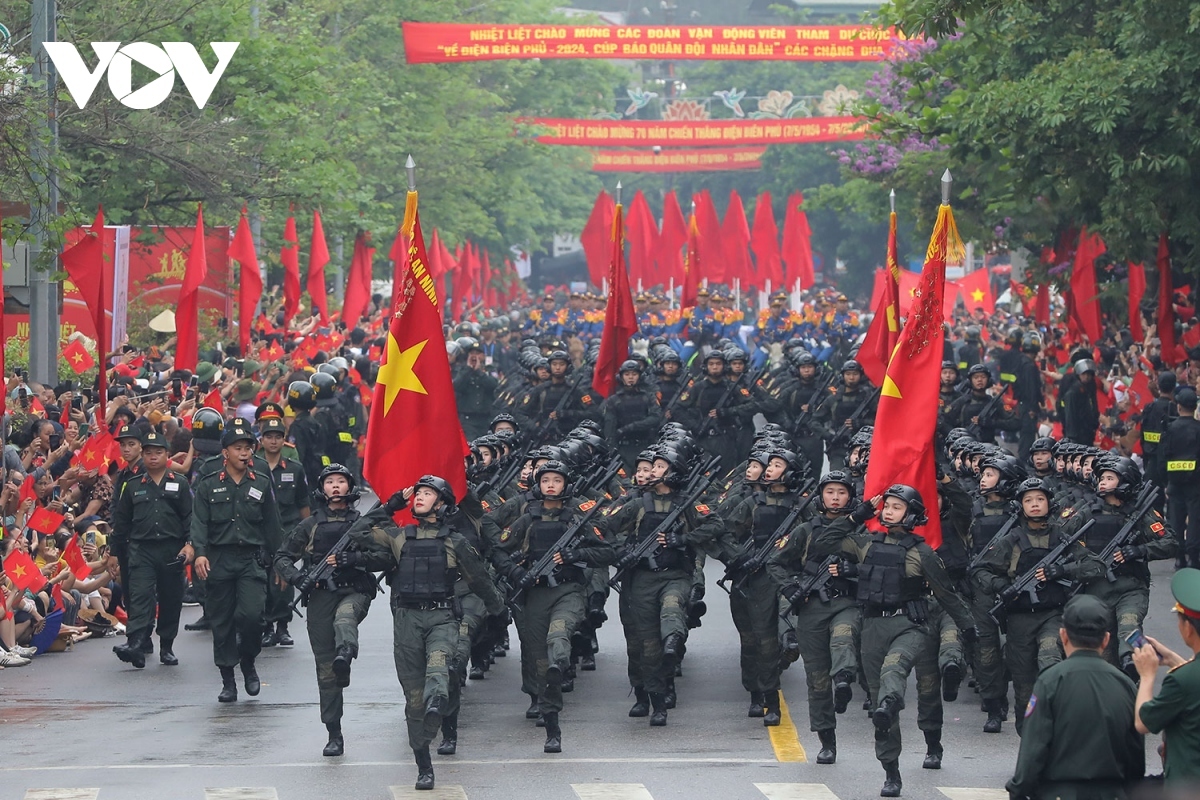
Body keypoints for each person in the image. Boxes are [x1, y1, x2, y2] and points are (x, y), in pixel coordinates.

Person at [816, 484, 976, 797]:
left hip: (910, 625)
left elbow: (947, 595)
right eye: (886, 506)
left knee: (894, 671)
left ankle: (899, 709)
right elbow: (825, 542)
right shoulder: (866, 544)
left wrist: (969, 628)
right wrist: (860, 513)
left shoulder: (922, 553)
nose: (888, 511)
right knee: (879, 706)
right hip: (873, 627)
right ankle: (891, 772)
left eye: (896, 507)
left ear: (912, 514)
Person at [348, 476, 504, 791]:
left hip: (442, 616)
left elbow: (479, 581)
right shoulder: (399, 538)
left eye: (427, 493)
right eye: (418, 493)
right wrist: (390, 506)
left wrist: (499, 613)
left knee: (440, 664)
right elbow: (357, 534)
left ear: (442, 503)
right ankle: (424, 764)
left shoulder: (455, 542)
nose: (419, 497)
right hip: (407, 619)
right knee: (413, 700)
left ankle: (439, 704)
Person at [493, 459, 615, 753]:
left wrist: (575, 554)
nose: (550, 484)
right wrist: (516, 573)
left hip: (567, 591)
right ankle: (552, 726)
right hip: (534, 595)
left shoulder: (577, 520)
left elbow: (608, 551)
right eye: (545, 479)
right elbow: (499, 551)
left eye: (556, 480)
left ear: (566, 485)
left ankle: (561, 663)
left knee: (558, 636)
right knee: (539, 663)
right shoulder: (526, 520)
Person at [273, 463, 387, 757]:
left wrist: (353, 558)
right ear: (322, 488)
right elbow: (283, 557)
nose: (335, 486)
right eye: (329, 482)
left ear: (350, 487)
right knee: (326, 670)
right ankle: (334, 732)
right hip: (320, 596)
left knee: (345, 619)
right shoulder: (310, 525)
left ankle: (346, 651)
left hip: (355, 590)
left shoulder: (362, 522)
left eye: (341, 481)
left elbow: (384, 556)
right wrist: (300, 578)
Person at [1006, 595, 1145, 800]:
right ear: (1106, 639)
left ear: (1063, 636)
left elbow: (1033, 749)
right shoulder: (1125, 685)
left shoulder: (1050, 681)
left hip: (1060, 793)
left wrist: (1018, 790)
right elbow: (1135, 759)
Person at [191, 424, 285, 703]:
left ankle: (248, 661)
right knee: (221, 622)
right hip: (218, 559)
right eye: (238, 448)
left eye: (247, 448)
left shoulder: (261, 483)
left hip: (250, 560)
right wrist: (199, 552)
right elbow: (199, 522)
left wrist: (280, 561)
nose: (244, 454)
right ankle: (228, 679)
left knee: (253, 616)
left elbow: (272, 525)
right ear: (225, 452)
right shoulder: (209, 483)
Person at [109, 431, 193, 668]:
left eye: (158, 452)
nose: (153, 457)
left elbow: (189, 518)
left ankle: (167, 645)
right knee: (140, 595)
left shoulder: (180, 483)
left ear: (167, 455)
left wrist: (190, 544)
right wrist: (114, 553)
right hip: (141, 550)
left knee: (170, 598)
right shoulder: (132, 485)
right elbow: (122, 522)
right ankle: (135, 642)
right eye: (148, 453)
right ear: (143, 456)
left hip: (171, 549)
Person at [1134, 568, 1200, 790]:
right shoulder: (1188, 676)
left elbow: (1143, 723)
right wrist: (1172, 658)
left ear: (1188, 628)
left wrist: (1147, 675)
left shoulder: (1181, 680)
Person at [260, 416, 311, 648]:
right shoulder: (253, 467)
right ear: (261, 440)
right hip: (259, 532)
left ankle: (282, 626)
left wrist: (311, 534)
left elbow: (302, 503)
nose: (273, 441)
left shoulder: (294, 469)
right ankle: (266, 627)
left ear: (284, 441)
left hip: (288, 531)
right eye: (269, 437)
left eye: (277, 437)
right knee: (262, 580)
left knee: (283, 581)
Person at [1162, 388, 1200, 569]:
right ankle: (1194, 558)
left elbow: (1164, 456)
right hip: (1195, 484)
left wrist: (1166, 483)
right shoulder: (1198, 429)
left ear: (1179, 407)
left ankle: (1179, 558)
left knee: (1176, 521)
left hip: (1175, 483)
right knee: (1195, 521)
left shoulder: (1171, 429)